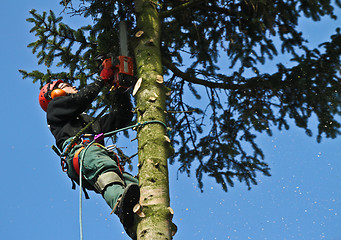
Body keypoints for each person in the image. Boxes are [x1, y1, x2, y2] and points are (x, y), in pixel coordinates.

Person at [38, 68, 139, 239]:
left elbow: (122, 116)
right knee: (103, 166)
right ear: (54, 93)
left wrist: (120, 91)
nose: (73, 87)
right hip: (83, 154)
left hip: (97, 157)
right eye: (66, 86)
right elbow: (79, 101)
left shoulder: (87, 121)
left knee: (133, 183)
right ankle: (120, 203)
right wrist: (102, 80)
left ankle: (137, 226)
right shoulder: (55, 109)